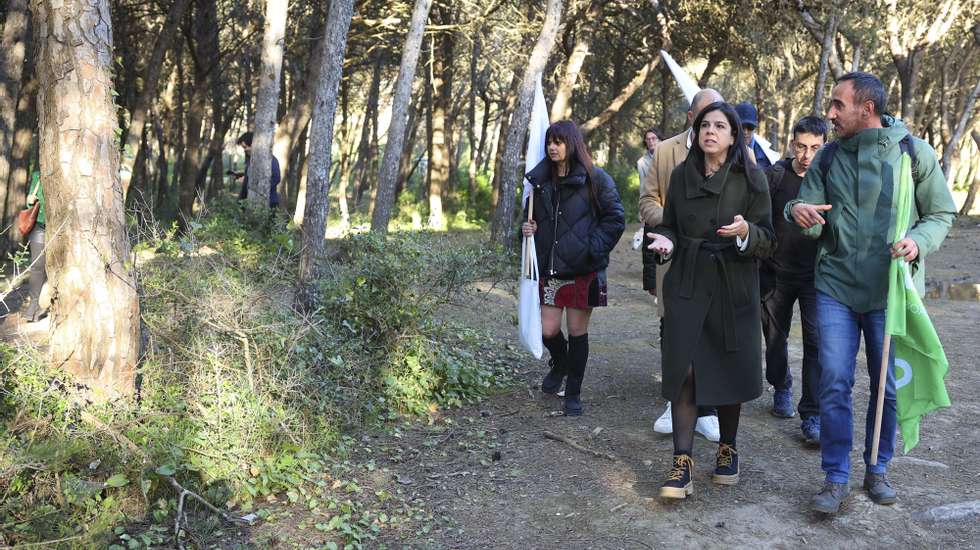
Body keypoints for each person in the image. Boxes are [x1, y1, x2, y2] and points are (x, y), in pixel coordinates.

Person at [787, 72, 956, 514]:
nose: (830, 113)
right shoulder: (825, 158)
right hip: (835, 287)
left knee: (887, 387)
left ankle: (876, 468)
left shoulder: (913, 153)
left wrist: (919, 240)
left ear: (868, 108)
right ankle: (836, 476)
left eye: (839, 104)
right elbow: (807, 209)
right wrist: (801, 214)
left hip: (890, 292)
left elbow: (940, 212)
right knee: (835, 381)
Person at [647, 101, 775, 499]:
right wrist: (665, 241)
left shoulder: (752, 180)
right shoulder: (682, 174)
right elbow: (668, 224)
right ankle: (681, 462)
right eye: (705, 125)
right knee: (684, 369)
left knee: (726, 371)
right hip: (686, 282)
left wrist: (744, 232)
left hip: (731, 285)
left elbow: (768, 239)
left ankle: (727, 448)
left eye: (720, 126)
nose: (710, 131)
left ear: (734, 135)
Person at [521, 120, 625, 416]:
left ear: (573, 143)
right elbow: (529, 223)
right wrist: (527, 229)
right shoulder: (540, 183)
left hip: (584, 270)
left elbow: (616, 218)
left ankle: (574, 394)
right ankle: (562, 362)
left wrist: (592, 248)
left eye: (559, 141)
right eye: (549, 142)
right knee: (548, 330)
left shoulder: (596, 179)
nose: (553, 147)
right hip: (552, 269)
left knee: (577, 331)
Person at [639, 89, 724, 442]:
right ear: (691, 117)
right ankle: (676, 400)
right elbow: (647, 203)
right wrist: (677, 222)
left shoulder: (733, 152)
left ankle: (708, 408)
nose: (711, 127)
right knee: (672, 330)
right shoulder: (664, 151)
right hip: (672, 256)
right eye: (704, 117)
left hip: (714, 258)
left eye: (718, 119)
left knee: (711, 330)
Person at [761, 116, 828, 445]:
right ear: (791, 144)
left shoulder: (830, 177)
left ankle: (812, 413)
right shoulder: (774, 175)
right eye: (801, 147)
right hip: (776, 273)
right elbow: (759, 218)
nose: (807, 155)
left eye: (815, 148)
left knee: (816, 343)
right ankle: (781, 385)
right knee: (775, 340)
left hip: (816, 277)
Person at [637, 126, 663, 296]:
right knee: (650, 250)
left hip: (667, 205)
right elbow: (643, 187)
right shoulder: (642, 162)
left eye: (654, 138)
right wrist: (643, 211)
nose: (651, 141)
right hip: (652, 205)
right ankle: (654, 287)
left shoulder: (668, 155)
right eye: (648, 139)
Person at [23, 170, 46, 322]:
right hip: (40, 226)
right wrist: (29, 199)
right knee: (37, 266)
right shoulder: (38, 174)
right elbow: (29, 201)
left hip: (64, 227)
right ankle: (34, 305)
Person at [235, 132, 281, 208]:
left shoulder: (270, 159)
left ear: (253, 144)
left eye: (245, 147)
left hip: (269, 203)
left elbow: (276, 178)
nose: (245, 150)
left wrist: (259, 189)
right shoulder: (250, 161)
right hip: (251, 204)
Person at [734, 102, 774, 169]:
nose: (745, 132)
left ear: (755, 127)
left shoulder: (765, 155)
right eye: (741, 127)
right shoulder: (723, 149)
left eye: (750, 127)